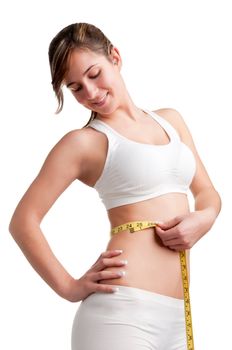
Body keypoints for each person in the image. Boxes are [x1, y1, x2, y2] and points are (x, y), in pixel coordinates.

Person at [9, 22, 221, 350]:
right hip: (120, 314)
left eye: (94, 74)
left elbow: (207, 193)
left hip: (179, 318)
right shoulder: (84, 143)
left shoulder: (172, 120)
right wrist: (69, 287)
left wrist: (204, 219)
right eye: (76, 87)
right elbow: (23, 221)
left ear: (115, 57)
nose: (90, 93)